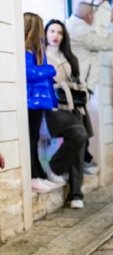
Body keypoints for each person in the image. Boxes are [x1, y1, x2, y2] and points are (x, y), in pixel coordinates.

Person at [67, 0, 113, 175]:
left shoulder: (73, 24)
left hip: (79, 87)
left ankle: (85, 158)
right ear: (88, 16)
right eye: (93, 14)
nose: (94, 18)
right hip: (79, 88)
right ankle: (82, 162)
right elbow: (109, 44)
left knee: (83, 125)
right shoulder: (82, 31)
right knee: (81, 128)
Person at [44, 19, 89, 209]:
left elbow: (77, 79)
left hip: (73, 107)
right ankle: (54, 168)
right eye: (52, 31)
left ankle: (76, 193)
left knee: (80, 140)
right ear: (45, 33)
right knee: (80, 134)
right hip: (53, 109)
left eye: (60, 32)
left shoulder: (69, 56)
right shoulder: (41, 55)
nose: (55, 35)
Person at [24, 12, 63, 194]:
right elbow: (30, 74)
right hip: (31, 103)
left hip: (38, 103)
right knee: (31, 139)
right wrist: (50, 69)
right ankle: (32, 176)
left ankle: (38, 174)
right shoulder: (25, 52)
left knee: (34, 139)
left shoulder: (34, 52)